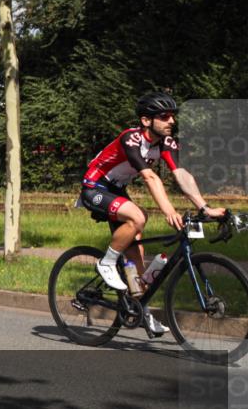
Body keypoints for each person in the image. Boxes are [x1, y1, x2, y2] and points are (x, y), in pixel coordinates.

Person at [78, 92, 227, 336]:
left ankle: (140, 311)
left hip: (117, 190)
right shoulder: (132, 139)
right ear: (147, 121)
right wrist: (168, 210)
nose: (172, 121)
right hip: (95, 187)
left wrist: (205, 207)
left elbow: (181, 175)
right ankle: (106, 262)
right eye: (165, 116)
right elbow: (149, 176)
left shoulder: (166, 143)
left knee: (137, 258)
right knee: (138, 217)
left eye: (173, 117)